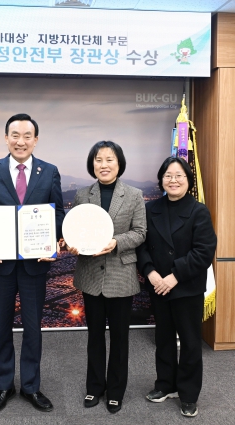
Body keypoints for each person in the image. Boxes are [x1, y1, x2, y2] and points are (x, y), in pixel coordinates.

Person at [0, 113, 65, 414]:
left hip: (33, 265)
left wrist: (53, 240)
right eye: (15, 135)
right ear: (6, 138)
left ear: (35, 140)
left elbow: (58, 213)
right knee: (1, 327)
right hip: (0, 264)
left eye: (27, 136)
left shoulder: (49, 171)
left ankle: (30, 386)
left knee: (33, 328)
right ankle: (4, 385)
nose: (21, 141)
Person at [66, 141, 146, 414]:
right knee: (95, 337)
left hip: (120, 274)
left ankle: (116, 390)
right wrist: (72, 244)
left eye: (109, 159)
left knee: (120, 339)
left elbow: (140, 232)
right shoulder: (82, 194)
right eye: (98, 160)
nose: (104, 165)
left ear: (119, 163)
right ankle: (94, 387)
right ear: (92, 164)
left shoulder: (134, 195)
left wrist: (116, 242)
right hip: (91, 275)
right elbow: (75, 230)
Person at [136, 157, 217, 418]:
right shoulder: (151, 209)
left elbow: (204, 251)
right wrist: (150, 272)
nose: (173, 180)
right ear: (161, 180)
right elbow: (141, 246)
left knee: (191, 343)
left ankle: (189, 395)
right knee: (163, 339)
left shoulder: (199, 211)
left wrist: (174, 276)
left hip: (186, 287)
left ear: (188, 180)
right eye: (168, 176)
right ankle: (165, 385)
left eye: (179, 176)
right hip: (158, 285)